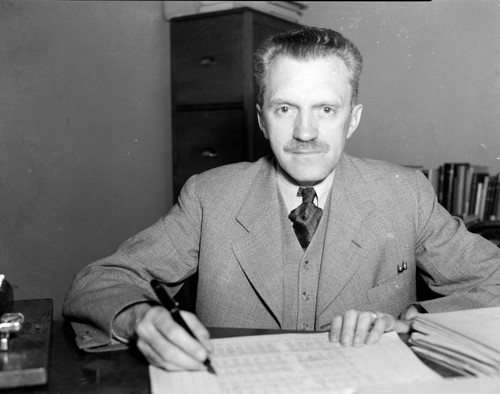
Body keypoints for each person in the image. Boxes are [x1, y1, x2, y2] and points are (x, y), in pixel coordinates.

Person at [63, 27, 500, 372]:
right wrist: (141, 318)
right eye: (285, 108)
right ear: (261, 118)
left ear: (353, 119)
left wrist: (410, 319)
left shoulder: (404, 195)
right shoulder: (210, 197)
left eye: (326, 109)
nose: (305, 132)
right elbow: (97, 283)